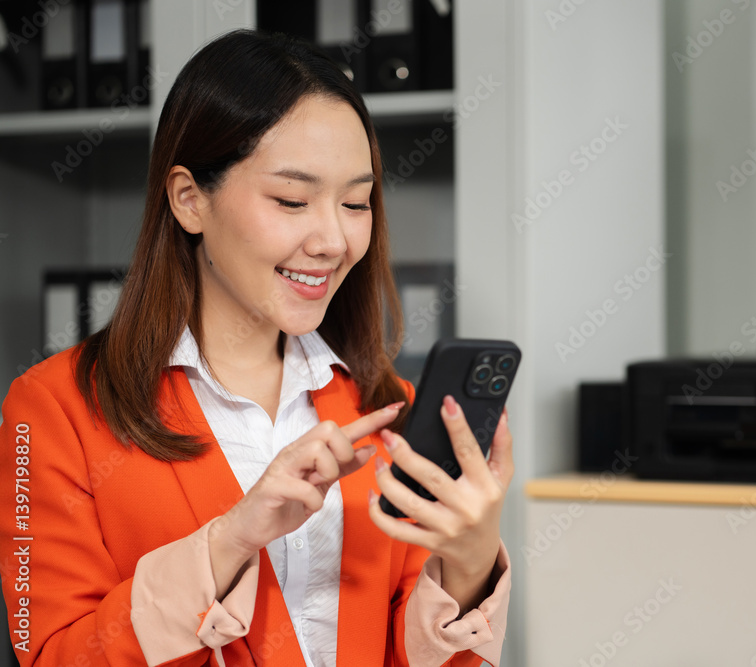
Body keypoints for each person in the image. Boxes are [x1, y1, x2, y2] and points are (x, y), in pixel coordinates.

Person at [0, 29, 511, 667]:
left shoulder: (389, 411)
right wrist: (231, 538)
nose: (333, 240)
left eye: (356, 202)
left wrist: (469, 561)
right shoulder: (53, 410)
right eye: (292, 200)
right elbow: (50, 654)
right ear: (190, 199)